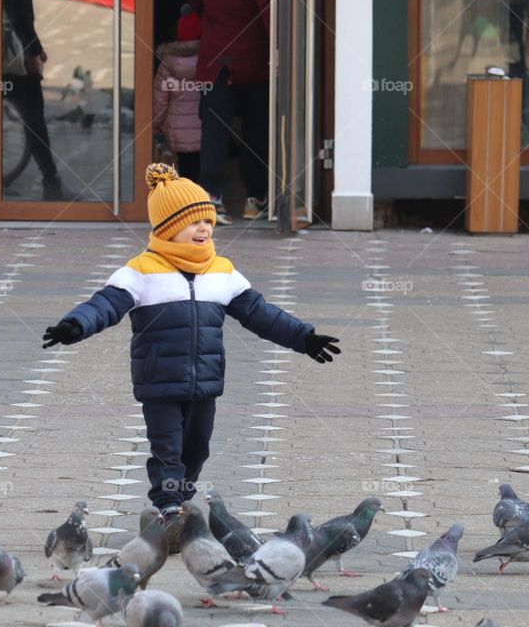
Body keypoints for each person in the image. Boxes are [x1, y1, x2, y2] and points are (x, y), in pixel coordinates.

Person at [41, 163, 341, 551]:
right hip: (160, 384)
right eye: (193, 222)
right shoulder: (142, 271)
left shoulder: (222, 271)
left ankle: (180, 500)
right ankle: (167, 508)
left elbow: (261, 314)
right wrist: (75, 326)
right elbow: (104, 306)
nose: (204, 229)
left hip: (206, 382)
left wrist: (305, 338)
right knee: (166, 448)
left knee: (196, 448)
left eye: (208, 221)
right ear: (166, 227)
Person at [190, 0, 271, 224]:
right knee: (255, 130)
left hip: (215, 55)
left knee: (214, 129)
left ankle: (210, 197)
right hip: (254, 55)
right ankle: (255, 199)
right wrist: (280, 46)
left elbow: (195, 2)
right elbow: (265, 3)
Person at [2, 0, 71, 200]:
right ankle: (50, 182)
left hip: (7, 51)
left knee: (29, 119)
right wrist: (33, 49)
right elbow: (18, 10)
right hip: (15, 55)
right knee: (33, 119)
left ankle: (0, 184)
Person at [152, 4, 202, 181]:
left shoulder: (168, 64)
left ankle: (188, 200)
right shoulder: (208, 60)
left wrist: (155, 124)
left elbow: (160, 99)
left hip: (177, 129)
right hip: (205, 128)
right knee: (205, 166)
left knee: (187, 169)